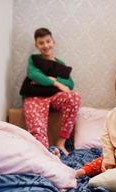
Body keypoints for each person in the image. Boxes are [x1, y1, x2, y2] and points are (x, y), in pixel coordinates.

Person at [20, 27, 81, 155]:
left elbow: (70, 84)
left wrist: (50, 78)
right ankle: (44, 154)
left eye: (48, 41)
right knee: (37, 128)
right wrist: (56, 83)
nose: (45, 45)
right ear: (36, 45)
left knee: (74, 96)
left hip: (54, 98)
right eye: (41, 43)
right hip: (35, 98)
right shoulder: (34, 59)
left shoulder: (60, 64)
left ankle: (61, 144)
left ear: (53, 42)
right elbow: (33, 75)